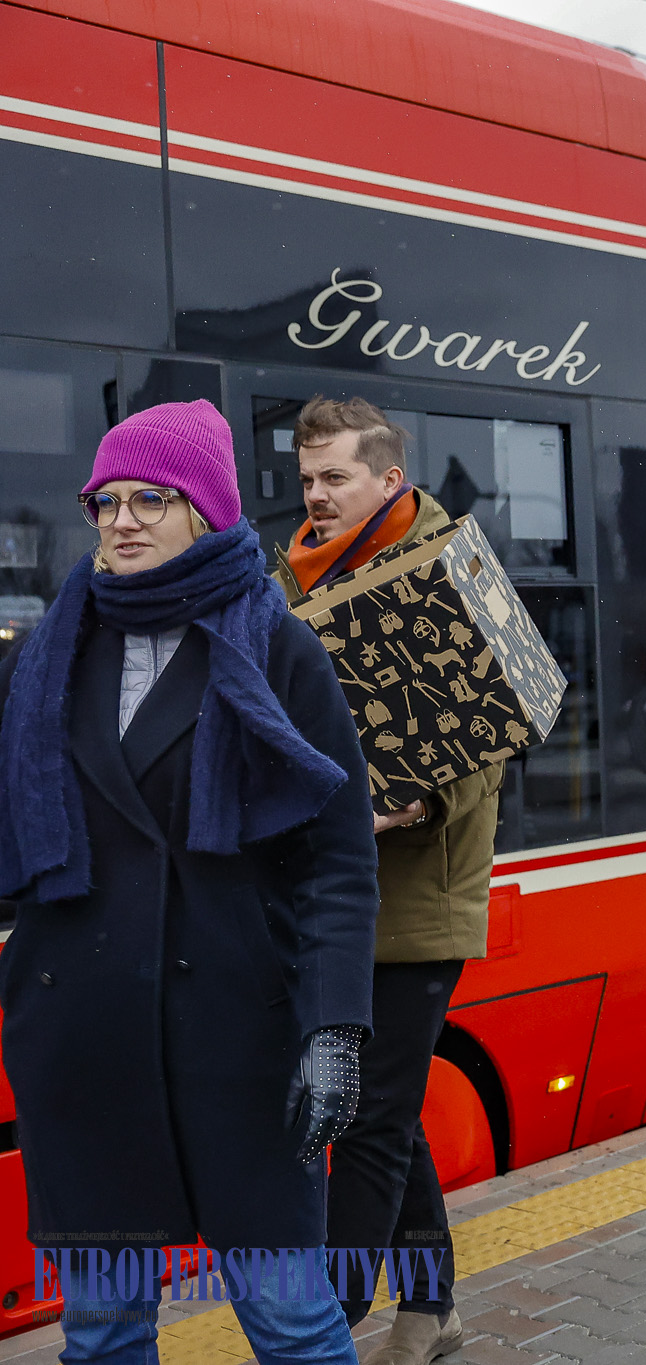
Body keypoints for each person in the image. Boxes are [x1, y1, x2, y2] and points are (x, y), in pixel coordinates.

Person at [0, 401, 378, 1363]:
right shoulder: (51, 650)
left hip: (238, 1045)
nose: (122, 520)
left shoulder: (276, 645)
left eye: (150, 499)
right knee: (101, 1333)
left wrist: (333, 1028)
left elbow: (337, 859)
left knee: (292, 1324)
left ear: (204, 510)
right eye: (105, 501)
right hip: (85, 1042)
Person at [280, 397, 501, 1361]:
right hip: (326, 895)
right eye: (307, 479)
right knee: (392, 1114)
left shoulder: (448, 568)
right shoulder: (294, 573)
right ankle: (431, 1306)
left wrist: (406, 802)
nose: (317, 495)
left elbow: (489, 738)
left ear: (388, 479)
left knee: (369, 1117)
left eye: (335, 477)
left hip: (416, 903)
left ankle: (324, 1327)